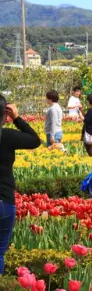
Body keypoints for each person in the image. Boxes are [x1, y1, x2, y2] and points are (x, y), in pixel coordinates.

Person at [0, 97, 41, 274]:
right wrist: (17, 118)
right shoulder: (6, 136)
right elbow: (34, 140)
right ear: (5, 113)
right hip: (3, 201)